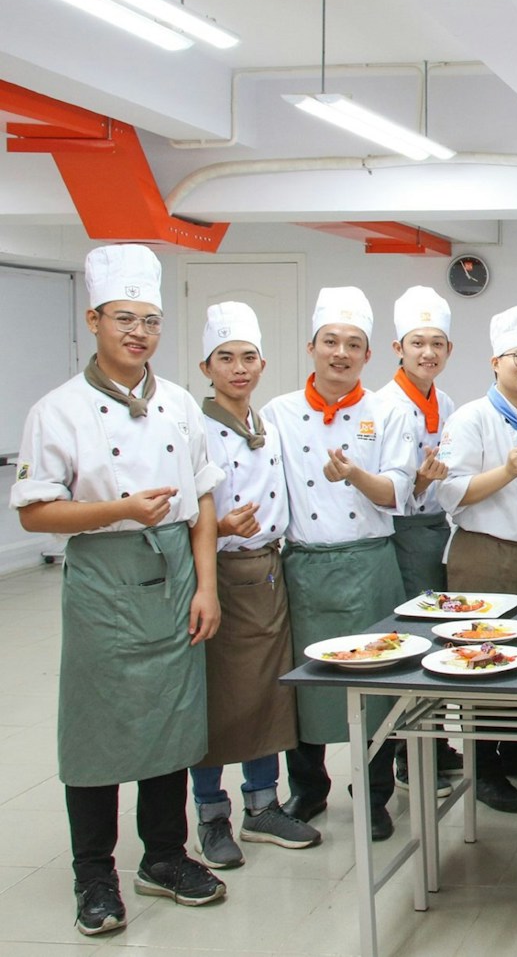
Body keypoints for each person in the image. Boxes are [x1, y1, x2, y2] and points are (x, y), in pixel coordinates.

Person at [12, 244, 226, 935]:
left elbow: (203, 500)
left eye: (151, 321)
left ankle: (163, 855)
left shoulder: (179, 404)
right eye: (124, 318)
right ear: (94, 319)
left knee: (172, 719)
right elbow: (35, 513)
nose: (139, 332)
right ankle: (94, 874)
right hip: (104, 577)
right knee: (96, 728)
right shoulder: (59, 409)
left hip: (175, 574)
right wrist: (119, 509)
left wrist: (207, 587)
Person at [262, 287, 414, 842]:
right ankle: (308, 788)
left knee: (377, 685)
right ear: (312, 347)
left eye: (353, 344)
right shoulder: (277, 413)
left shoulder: (388, 411)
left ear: (368, 355)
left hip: (370, 563)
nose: (341, 353)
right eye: (331, 341)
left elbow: (395, 492)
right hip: (304, 565)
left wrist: (353, 475)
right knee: (306, 684)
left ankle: (373, 795)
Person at [189, 302, 320, 871]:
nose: (238, 368)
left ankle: (263, 805)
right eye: (225, 358)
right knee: (217, 699)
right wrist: (218, 529)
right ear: (206, 367)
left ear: (262, 364)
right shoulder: (194, 430)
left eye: (248, 357)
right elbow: (179, 512)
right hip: (216, 574)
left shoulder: (264, 426)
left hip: (268, 572)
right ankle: (211, 813)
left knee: (267, 693)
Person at [436, 307, 517, 814]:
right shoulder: (470, 418)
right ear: (496, 362)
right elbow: (450, 492)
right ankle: (483, 768)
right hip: (486, 556)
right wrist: (505, 472)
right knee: (484, 663)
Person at [373, 287, 464, 797]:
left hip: (437, 532)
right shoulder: (382, 406)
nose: (428, 352)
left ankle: (433, 743)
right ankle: (410, 756)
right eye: (417, 343)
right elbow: (382, 492)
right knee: (413, 642)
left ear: (449, 350)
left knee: (438, 639)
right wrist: (421, 484)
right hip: (402, 535)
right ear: (398, 348)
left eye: (437, 344)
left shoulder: (446, 403)